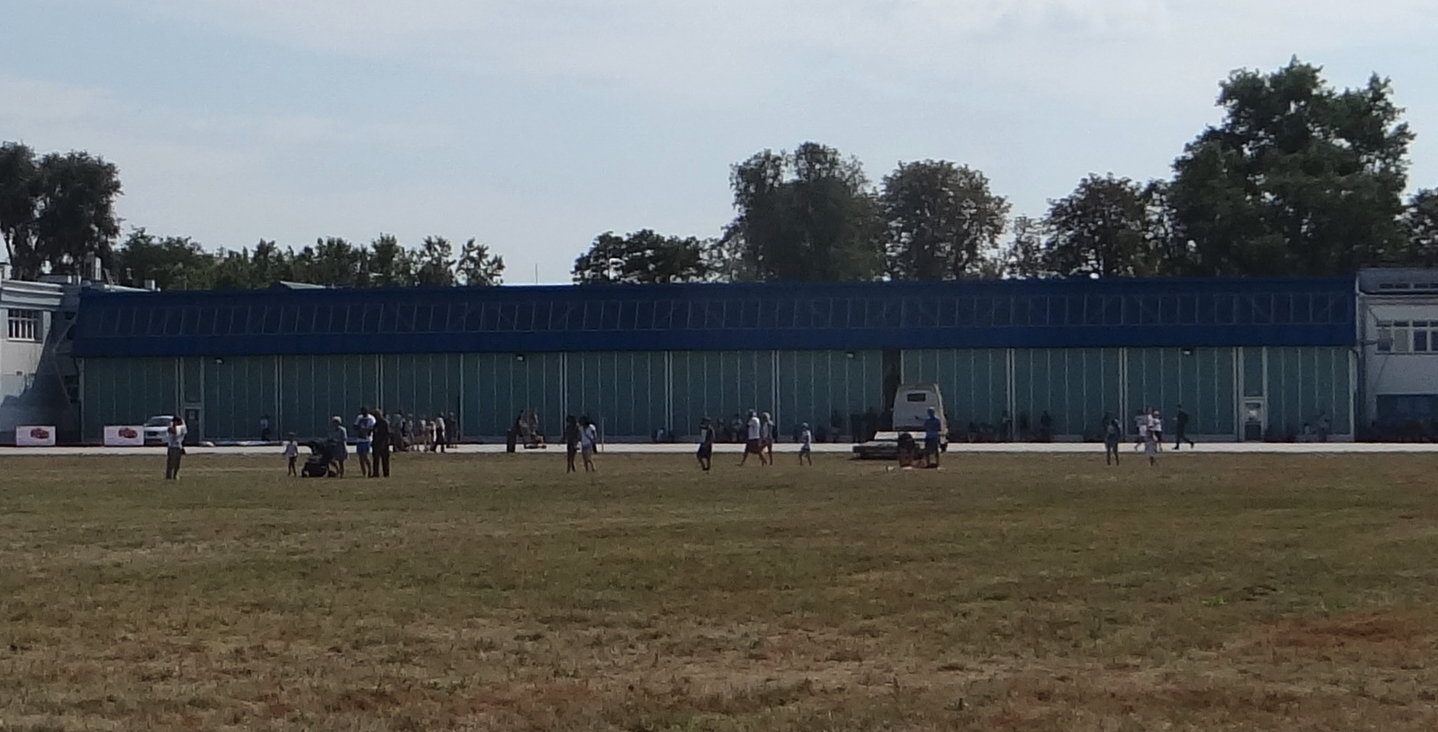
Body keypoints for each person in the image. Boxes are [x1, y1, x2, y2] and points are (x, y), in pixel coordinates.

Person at [354, 407, 376, 477]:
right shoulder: (359, 417)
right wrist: (359, 428)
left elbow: (373, 427)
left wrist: (366, 430)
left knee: (365, 456)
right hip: (359, 439)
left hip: (367, 439)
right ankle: (364, 472)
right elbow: (355, 426)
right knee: (360, 457)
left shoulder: (371, 418)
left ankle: (370, 470)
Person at [164, 415, 187, 480]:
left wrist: (175, 426)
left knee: (177, 463)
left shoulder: (182, 428)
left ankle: (175, 475)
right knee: (170, 463)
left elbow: (176, 433)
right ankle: (169, 476)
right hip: (171, 447)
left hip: (177, 447)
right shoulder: (171, 427)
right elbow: (170, 430)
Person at [371, 408, 391, 478]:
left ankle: (386, 473)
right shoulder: (376, 423)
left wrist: (385, 443)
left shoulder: (385, 423)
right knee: (375, 459)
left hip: (384, 444)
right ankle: (375, 473)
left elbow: (387, 434)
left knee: (385, 459)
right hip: (376, 443)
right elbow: (374, 432)